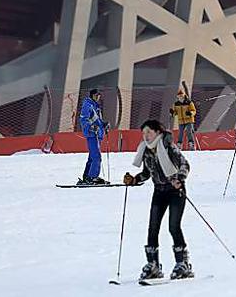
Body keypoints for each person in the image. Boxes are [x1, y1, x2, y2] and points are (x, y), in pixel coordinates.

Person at [123, 120, 193, 280]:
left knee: (173, 227)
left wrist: (179, 179)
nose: (146, 136)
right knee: (153, 228)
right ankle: (153, 265)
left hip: (175, 191)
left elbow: (184, 164)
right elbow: (147, 173)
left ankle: (182, 263)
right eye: (144, 133)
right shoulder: (146, 151)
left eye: (149, 132)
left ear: (158, 132)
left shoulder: (168, 146)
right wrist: (134, 180)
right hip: (159, 191)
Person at [77, 89, 109, 185]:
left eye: (99, 95)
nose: (98, 97)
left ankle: (87, 176)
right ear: (92, 96)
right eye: (97, 95)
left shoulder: (95, 106)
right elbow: (83, 119)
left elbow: (96, 121)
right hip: (92, 134)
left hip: (96, 134)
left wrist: (104, 125)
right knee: (96, 157)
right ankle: (92, 177)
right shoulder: (88, 105)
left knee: (92, 157)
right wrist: (91, 127)